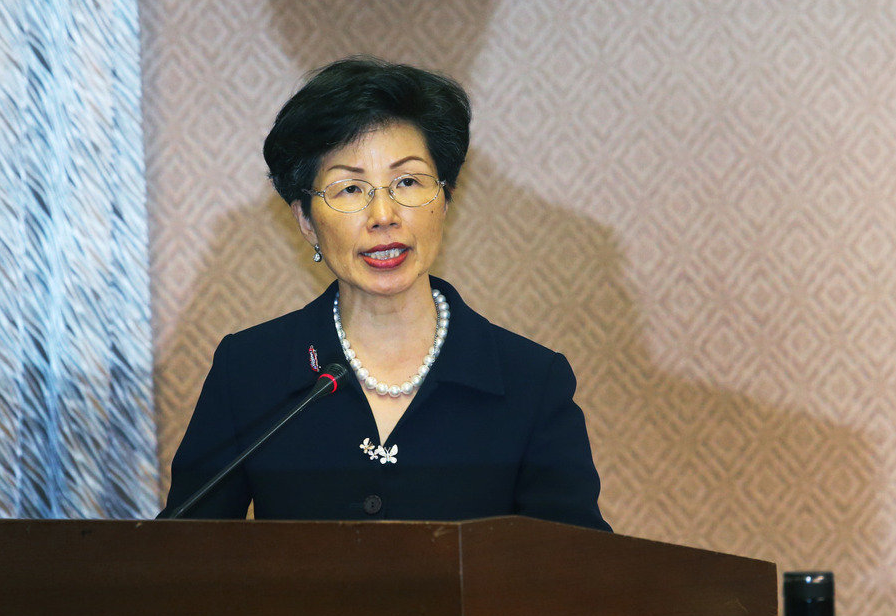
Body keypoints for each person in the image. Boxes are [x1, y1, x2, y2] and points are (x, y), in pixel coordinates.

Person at [160, 57, 609, 530]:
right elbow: (182, 557)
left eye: (407, 182)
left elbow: (577, 566)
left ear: (445, 198)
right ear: (306, 221)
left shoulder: (532, 383)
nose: (383, 216)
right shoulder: (250, 371)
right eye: (350, 189)